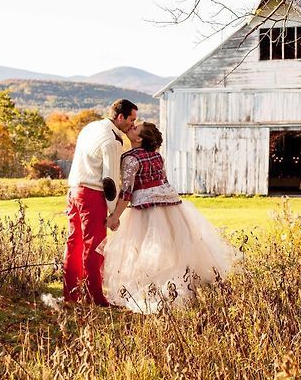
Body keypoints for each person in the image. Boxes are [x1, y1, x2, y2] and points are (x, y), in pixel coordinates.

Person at [101, 122, 239, 313]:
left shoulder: (131, 159)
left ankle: (152, 291)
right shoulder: (157, 156)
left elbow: (127, 192)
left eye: (135, 129)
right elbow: (163, 180)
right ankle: (178, 287)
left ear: (139, 139)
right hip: (170, 207)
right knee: (172, 250)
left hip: (146, 210)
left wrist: (115, 216)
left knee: (146, 250)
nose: (130, 128)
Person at [64, 99, 137, 306]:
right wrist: (113, 215)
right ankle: (95, 296)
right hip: (92, 195)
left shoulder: (90, 127)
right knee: (94, 247)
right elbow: (110, 181)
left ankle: (71, 295)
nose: (132, 124)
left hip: (73, 190)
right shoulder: (113, 141)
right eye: (131, 119)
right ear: (120, 116)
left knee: (74, 244)